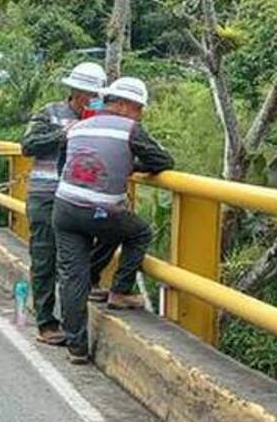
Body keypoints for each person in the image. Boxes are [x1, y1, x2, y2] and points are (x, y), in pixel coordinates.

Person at [53, 77, 174, 364]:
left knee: (73, 276)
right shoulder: (130, 129)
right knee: (138, 233)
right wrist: (130, 166)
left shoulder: (79, 126)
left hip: (65, 207)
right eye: (138, 108)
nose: (140, 114)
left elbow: (63, 164)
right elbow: (163, 161)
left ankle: (76, 348)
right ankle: (120, 291)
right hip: (101, 211)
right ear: (122, 105)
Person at [20, 61, 107, 346]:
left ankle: (75, 321)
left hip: (80, 198)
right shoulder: (50, 113)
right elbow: (28, 144)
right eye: (87, 95)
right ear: (75, 92)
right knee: (45, 259)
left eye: (96, 96)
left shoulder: (100, 119)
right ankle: (46, 321)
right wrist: (67, 133)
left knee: (76, 260)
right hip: (46, 196)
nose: (91, 101)